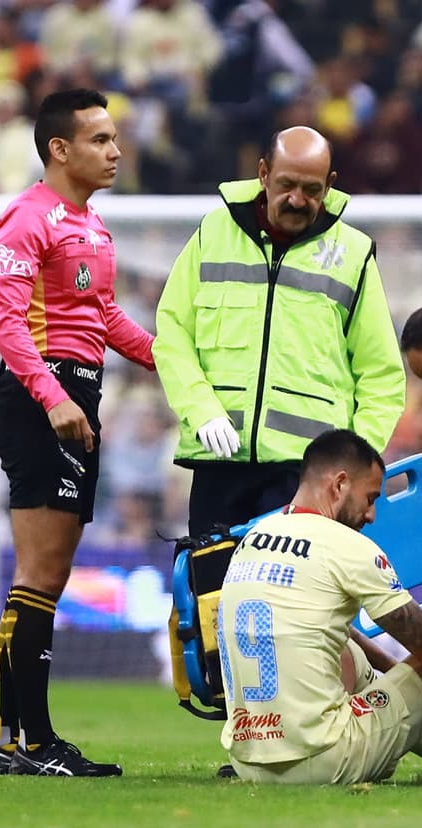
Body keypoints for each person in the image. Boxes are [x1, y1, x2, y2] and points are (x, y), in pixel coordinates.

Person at [0, 88, 156, 777]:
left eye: (114, 139)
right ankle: (27, 742)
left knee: (46, 577)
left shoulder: (92, 227)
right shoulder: (26, 220)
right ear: (60, 148)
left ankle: (15, 741)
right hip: (38, 398)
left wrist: (174, 362)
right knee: (41, 572)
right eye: (100, 140)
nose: (115, 152)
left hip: (76, 395)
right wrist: (52, 397)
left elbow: (106, 319)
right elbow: (7, 323)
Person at [217, 429, 422, 784]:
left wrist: (393, 668)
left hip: (249, 763)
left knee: (347, 651)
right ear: (340, 484)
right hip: (324, 762)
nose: (372, 514)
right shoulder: (347, 546)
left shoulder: (253, 539)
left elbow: (320, 626)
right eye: (371, 497)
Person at [153, 126, 405, 538]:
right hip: (221, 463)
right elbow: (173, 333)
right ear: (263, 173)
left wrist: (350, 465)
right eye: (287, 184)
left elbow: (381, 375)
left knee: (291, 600)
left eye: (311, 189)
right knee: (211, 598)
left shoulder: (354, 255)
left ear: (330, 186)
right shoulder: (212, 234)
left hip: (307, 481)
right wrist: (200, 410)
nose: (297, 199)